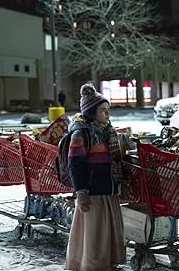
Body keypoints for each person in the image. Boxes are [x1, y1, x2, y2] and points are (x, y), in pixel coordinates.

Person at [66, 82, 126, 271]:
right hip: (93, 193)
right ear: (92, 113)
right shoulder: (81, 133)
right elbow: (75, 164)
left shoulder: (107, 131)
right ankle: (92, 266)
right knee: (94, 235)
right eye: (102, 111)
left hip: (108, 190)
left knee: (106, 233)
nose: (107, 115)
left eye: (108, 110)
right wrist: (81, 192)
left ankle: (106, 263)